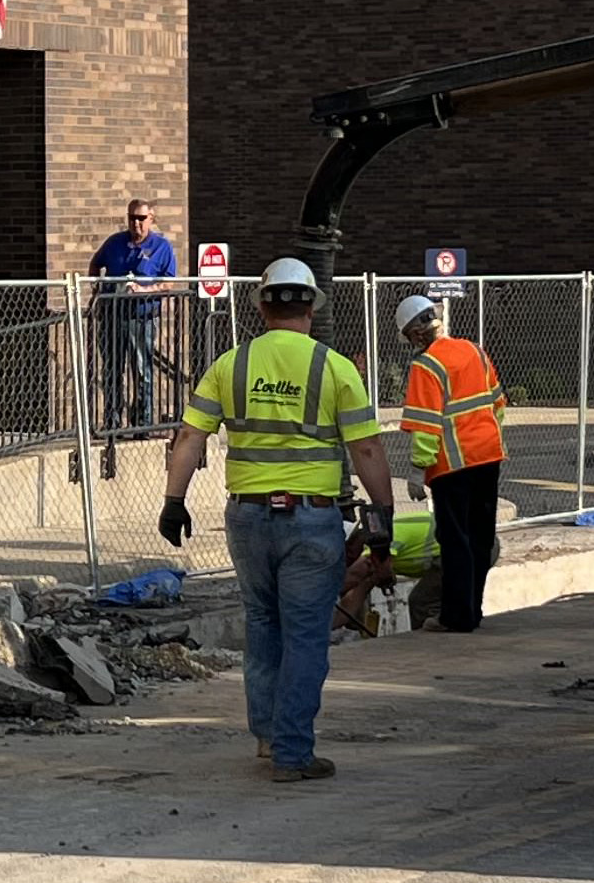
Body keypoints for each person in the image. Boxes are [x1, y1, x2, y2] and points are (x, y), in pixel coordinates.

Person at [161, 257, 396, 783]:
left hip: (247, 520)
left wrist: (174, 499)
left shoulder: (230, 365)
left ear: (263, 306)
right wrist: (382, 515)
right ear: (312, 306)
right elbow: (368, 449)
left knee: (263, 625)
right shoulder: (335, 368)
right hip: (310, 522)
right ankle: (293, 752)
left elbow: (190, 438)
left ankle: (268, 736)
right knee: (307, 635)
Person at [392, 294, 508, 631]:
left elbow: (427, 427)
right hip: (489, 457)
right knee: (480, 537)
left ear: (415, 334)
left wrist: (417, 471)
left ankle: (457, 617)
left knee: (454, 540)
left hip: (452, 468)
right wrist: (488, 440)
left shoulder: (426, 366)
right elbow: (497, 403)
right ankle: (473, 609)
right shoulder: (474, 350)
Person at [86, 199, 182, 429]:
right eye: (132, 218)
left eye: (141, 218)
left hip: (142, 317)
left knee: (141, 370)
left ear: (151, 218)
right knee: (112, 369)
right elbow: (95, 264)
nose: (136, 223)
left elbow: (169, 283)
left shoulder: (161, 246)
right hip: (112, 316)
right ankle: (113, 422)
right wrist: (98, 287)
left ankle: (142, 423)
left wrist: (145, 289)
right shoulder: (115, 243)